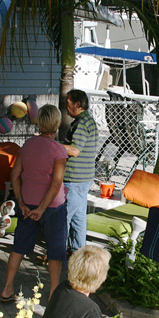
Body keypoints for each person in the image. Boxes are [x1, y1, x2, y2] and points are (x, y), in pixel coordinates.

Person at [0, 104, 68, 301]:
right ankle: (53, 294)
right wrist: (42, 208)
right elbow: (56, 184)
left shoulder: (28, 145)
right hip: (52, 208)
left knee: (19, 247)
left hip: (27, 205)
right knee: (55, 252)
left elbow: (15, 175)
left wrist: (20, 202)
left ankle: (7, 289)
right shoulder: (59, 150)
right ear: (57, 123)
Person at [62, 89, 98, 254]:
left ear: (78, 104)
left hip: (75, 179)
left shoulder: (81, 123)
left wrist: (52, 146)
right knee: (79, 218)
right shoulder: (88, 120)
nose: (66, 107)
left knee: (65, 217)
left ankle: (58, 251)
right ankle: (78, 251)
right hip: (84, 177)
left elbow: (75, 150)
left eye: (68, 104)